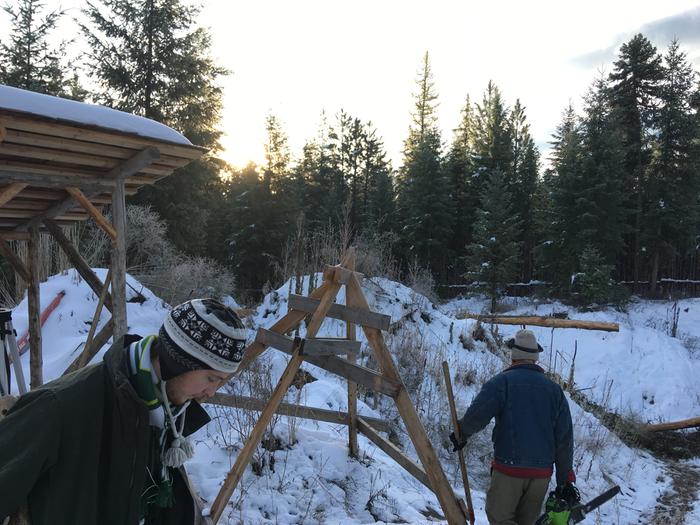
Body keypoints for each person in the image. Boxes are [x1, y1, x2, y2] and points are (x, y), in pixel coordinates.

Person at [0, 298, 248, 525]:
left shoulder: (166, 411)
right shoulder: (60, 407)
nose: (212, 392)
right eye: (211, 378)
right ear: (180, 359)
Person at [449, 329, 579, 525]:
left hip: (509, 469)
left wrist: (462, 434)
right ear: (535, 357)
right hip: (541, 474)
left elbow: (478, 415)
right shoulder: (554, 391)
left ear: (514, 355)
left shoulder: (502, 383)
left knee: (500, 517)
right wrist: (565, 479)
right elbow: (564, 439)